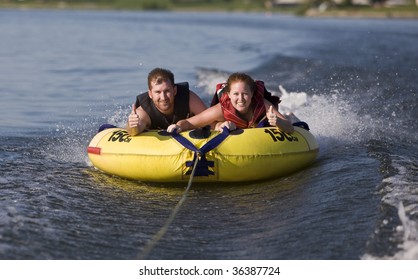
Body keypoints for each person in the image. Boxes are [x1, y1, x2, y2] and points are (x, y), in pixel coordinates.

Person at [167, 72, 294, 134]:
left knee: (285, 118)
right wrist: (178, 126)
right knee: (217, 126)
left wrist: (278, 121)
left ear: (252, 94)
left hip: (263, 124)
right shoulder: (221, 109)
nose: (241, 99)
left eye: (245, 93)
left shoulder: (264, 105)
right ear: (228, 95)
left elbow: (290, 128)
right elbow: (189, 123)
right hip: (230, 126)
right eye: (236, 94)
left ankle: (290, 114)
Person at [127, 68, 207, 136]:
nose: (163, 97)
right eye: (158, 92)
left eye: (167, 91)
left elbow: (209, 120)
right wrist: (133, 126)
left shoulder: (188, 98)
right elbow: (135, 130)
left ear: (174, 90)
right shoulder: (144, 111)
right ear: (150, 94)